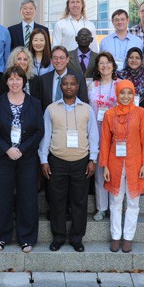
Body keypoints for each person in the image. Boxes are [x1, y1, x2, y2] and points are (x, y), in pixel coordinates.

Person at [39, 73, 99, 252]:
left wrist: (92, 159)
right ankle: (58, 237)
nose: (69, 87)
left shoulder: (87, 109)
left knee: (79, 202)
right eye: (65, 84)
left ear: (77, 87)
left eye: (72, 84)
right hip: (57, 161)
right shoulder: (51, 108)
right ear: (61, 87)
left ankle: (76, 238)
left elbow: (94, 136)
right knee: (57, 201)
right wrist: (44, 160)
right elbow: (45, 137)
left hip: (81, 161)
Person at [0, 66, 44, 253]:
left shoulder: (34, 103)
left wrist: (22, 149)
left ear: (23, 81)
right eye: (11, 79)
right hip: (4, 158)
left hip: (27, 157)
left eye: (18, 79)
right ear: (6, 82)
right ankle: (1, 236)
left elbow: (39, 131)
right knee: (2, 197)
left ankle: (26, 238)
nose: (14, 82)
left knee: (27, 197)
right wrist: (6, 149)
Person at [99, 80, 144, 253]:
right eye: (122, 93)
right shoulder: (109, 114)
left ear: (134, 94)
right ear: (117, 94)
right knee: (115, 201)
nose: (126, 96)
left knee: (133, 202)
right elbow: (105, 141)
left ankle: (128, 238)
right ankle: (115, 236)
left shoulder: (140, 112)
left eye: (129, 93)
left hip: (135, 162)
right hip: (115, 162)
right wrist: (104, 165)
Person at [88, 52, 118, 222]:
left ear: (113, 65)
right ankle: (101, 208)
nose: (105, 65)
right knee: (99, 173)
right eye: (101, 63)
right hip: (96, 133)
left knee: (114, 171)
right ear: (97, 67)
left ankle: (114, 206)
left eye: (108, 62)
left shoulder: (120, 85)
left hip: (116, 134)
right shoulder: (92, 86)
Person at [117, 46, 144, 171]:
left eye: (137, 58)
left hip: (143, 115)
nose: (134, 60)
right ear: (127, 59)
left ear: (141, 60)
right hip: (123, 116)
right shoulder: (120, 76)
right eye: (131, 58)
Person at [37, 45, 89, 111]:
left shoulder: (79, 78)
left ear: (67, 59)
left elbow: (83, 104)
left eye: (62, 58)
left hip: (72, 118)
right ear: (51, 60)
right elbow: (40, 104)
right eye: (55, 58)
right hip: (49, 118)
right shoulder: (43, 79)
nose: (58, 61)